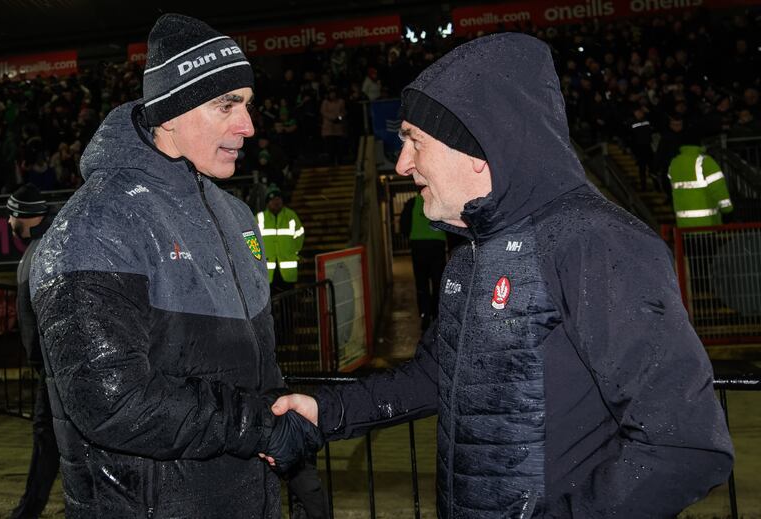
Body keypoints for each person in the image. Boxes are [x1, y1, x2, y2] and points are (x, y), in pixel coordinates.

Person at [270, 33, 734, 517]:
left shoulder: (596, 242)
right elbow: (435, 375)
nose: (403, 163)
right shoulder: (472, 252)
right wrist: (326, 412)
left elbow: (684, 445)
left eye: (414, 140)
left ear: (477, 148)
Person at [29, 14, 321, 518]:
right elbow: (111, 402)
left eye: (247, 105)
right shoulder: (95, 224)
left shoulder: (236, 215)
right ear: (170, 113)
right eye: (226, 105)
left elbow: (260, 369)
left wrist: (300, 472)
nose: (248, 126)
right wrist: (260, 426)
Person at [7, 184, 59, 519]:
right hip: (51, 369)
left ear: (23, 216)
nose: (8, 222)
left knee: (47, 440)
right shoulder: (39, 246)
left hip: (55, 370)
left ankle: (27, 512)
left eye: (10, 215)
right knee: (51, 442)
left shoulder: (46, 247)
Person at [399, 194, 446, 330]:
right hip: (437, 245)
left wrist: (410, 236)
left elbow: (404, 225)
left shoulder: (412, 203)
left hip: (418, 245)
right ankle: (437, 315)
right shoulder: (439, 200)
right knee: (438, 282)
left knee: (421, 283)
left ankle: (425, 315)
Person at [668, 144, 733, 227]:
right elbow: (719, 189)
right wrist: (727, 210)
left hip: (683, 226)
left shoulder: (674, 163)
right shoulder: (706, 162)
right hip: (707, 224)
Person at [257, 186, 305, 293]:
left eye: (278, 199)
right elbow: (251, 239)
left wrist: (294, 252)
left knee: (288, 298)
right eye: (273, 199)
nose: (276, 202)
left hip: (287, 270)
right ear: (267, 203)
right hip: (267, 271)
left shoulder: (291, 216)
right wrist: (257, 256)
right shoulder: (260, 218)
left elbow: (299, 235)